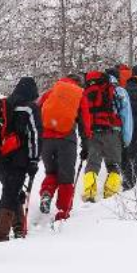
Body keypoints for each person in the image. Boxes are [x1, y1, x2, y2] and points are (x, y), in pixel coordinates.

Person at [0, 77, 42, 242]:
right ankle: (0, 234)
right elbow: (35, 135)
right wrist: (34, 159)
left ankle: (19, 227)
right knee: (10, 192)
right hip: (19, 159)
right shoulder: (29, 108)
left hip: (0, 157)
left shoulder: (3, 105)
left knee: (12, 189)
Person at [38, 75, 92, 221]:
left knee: (51, 172)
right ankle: (63, 211)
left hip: (46, 139)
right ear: (79, 84)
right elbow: (85, 122)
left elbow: (37, 109)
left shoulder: (52, 91)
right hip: (66, 140)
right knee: (66, 177)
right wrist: (86, 144)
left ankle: (47, 193)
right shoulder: (80, 95)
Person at [82, 71, 133, 202]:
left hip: (93, 131)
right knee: (113, 164)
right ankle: (110, 193)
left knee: (92, 164)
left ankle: (89, 192)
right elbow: (126, 116)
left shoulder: (89, 89)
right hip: (112, 131)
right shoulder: (118, 91)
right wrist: (126, 139)